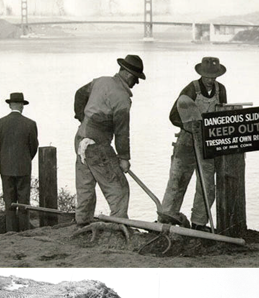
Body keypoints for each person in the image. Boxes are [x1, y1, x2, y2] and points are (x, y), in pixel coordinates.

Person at [73, 54, 145, 227]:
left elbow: (79, 94)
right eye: (135, 79)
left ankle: (82, 223)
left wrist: (82, 117)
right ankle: (118, 228)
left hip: (81, 139)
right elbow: (122, 131)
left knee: (85, 186)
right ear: (128, 75)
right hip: (97, 146)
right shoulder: (122, 98)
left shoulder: (100, 81)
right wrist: (124, 158)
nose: (136, 83)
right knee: (119, 189)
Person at [159, 57, 227, 231]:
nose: (211, 80)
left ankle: (198, 222)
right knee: (178, 179)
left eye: (214, 76)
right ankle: (166, 218)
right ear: (201, 74)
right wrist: (190, 126)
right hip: (187, 142)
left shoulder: (221, 90)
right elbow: (173, 115)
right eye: (207, 76)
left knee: (207, 185)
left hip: (208, 143)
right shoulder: (191, 89)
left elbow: (224, 115)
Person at [0, 92, 39, 232]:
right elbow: (33, 147)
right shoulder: (30, 124)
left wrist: (6, 157)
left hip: (6, 165)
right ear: (21, 105)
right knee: (24, 200)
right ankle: (24, 229)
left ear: (10, 105)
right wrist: (25, 158)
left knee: (9, 200)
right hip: (23, 166)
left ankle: (11, 230)